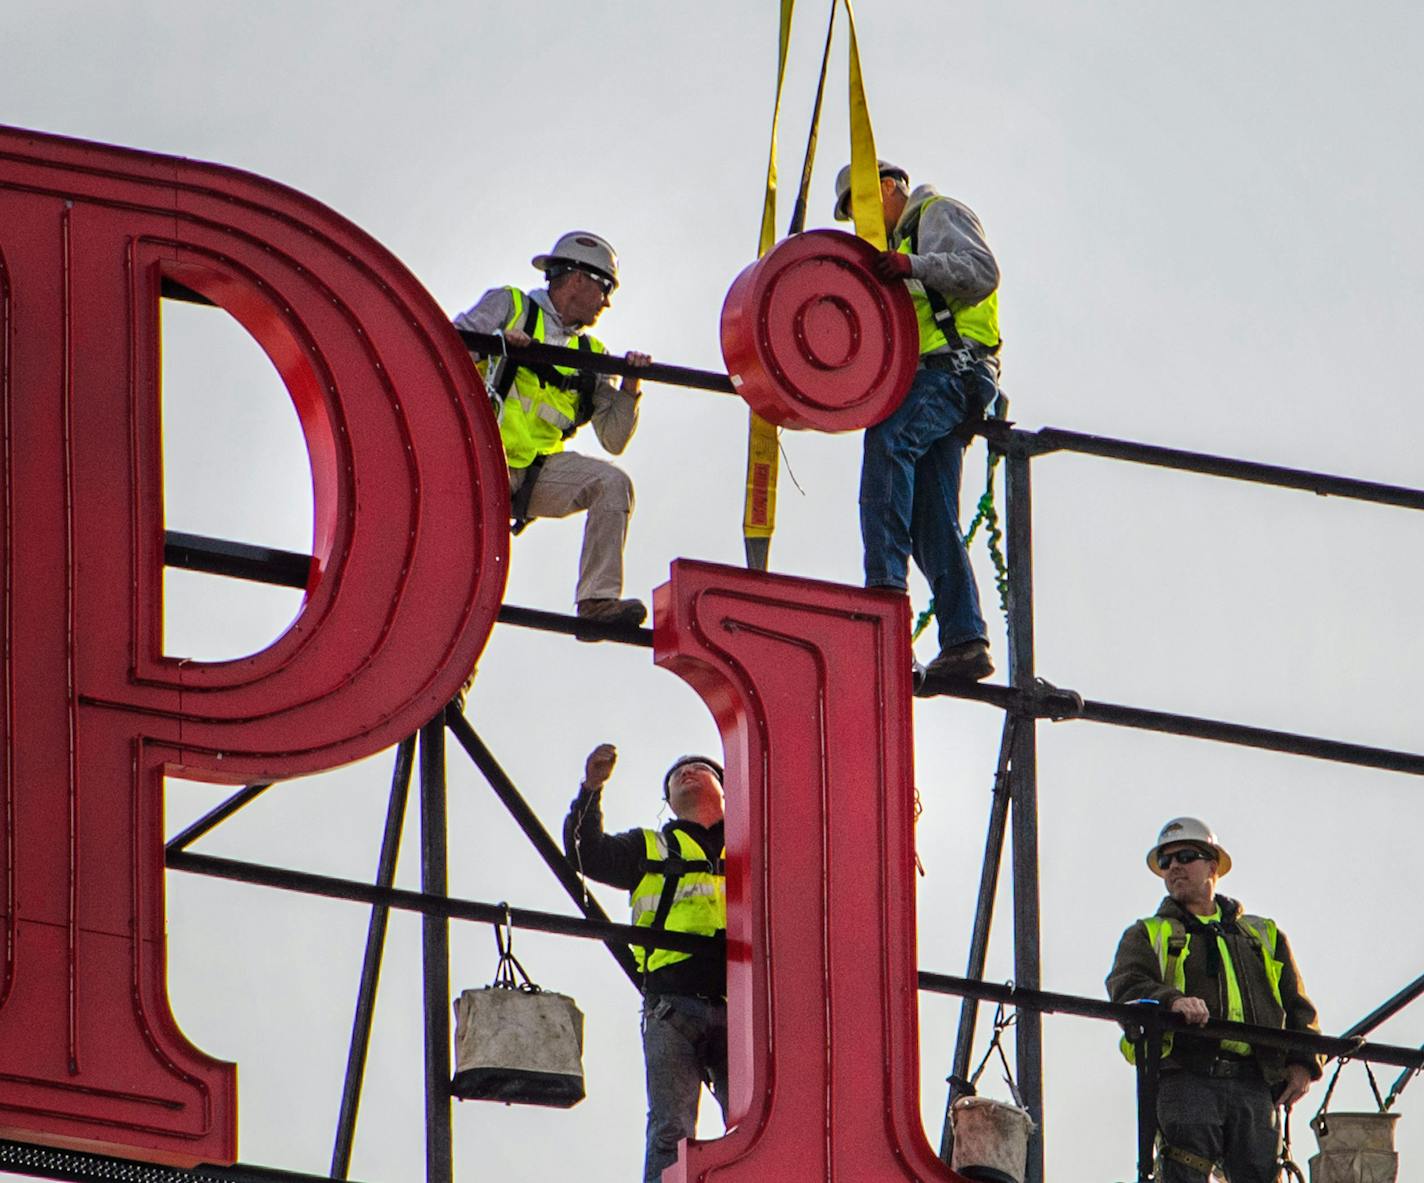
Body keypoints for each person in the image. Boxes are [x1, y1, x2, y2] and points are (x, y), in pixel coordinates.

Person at [833, 160, 1002, 690]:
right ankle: (964, 640)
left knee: (888, 444)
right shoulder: (902, 247)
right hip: (935, 379)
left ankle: (884, 588)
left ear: (888, 188)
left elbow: (979, 272)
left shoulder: (935, 213)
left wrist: (912, 266)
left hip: (953, 373)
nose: (863, 222)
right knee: (932, 516)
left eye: (862, 206)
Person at [1107, 817, 1323, 1183]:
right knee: (1186, 1171)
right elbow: (1127, 986)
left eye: (1185, 856)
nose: (1174, 867)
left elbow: (1298, 1004)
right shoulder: (1148, 933)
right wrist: (1171, 1000)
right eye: (1166, 861)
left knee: (1258, 1174)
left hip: (1254, 1083)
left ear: (1213, 866)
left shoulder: (1260, 934)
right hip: (1186, 1077)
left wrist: (1304, 1062)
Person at [454, 232, 651, 630]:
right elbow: (443, 350)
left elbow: (613, 438)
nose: (608, 301)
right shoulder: (510, 306)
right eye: (605, 287)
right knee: (468, 580)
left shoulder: (592, 356)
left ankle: (597, 600)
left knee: (612, 483)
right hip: (476, 461)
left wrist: (631, 385)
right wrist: (494, 343)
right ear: (577, 278)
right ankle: (457, 679)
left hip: (532, 474)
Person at [563, 744, 727, 1182]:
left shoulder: (754, 846)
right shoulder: (651, 846)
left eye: (698, 769)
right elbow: (586, 854)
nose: (688, 774)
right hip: (672, 1005)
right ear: (668, 803)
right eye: (678, 775)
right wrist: (591, 790)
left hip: (741, 1006)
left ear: (726, 792)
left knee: (755, 1129)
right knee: (671, 1129)